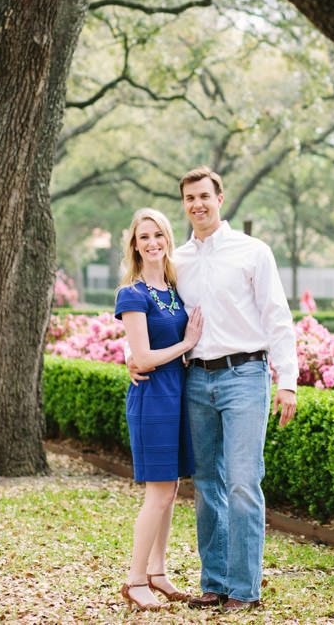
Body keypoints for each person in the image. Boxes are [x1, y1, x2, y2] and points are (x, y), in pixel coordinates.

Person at [128, 167, 298, 613]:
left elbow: (278, 317)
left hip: (246, 376)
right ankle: (215, 583)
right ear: (182, 204)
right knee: (206, 484)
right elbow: (152, 313)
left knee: (243, 482)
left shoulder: (252, 251)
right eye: (189, 198)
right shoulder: (176, 260)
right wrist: (134, 358)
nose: (197, 204)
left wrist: (289, 382)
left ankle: (244, 589)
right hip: (196, 380)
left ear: (220, 197)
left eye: (204, 195)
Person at [115, 207, 203, 612]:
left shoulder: (173, 288)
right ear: (134, 244)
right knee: (158, 493)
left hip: (178, 394)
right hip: (152, 397)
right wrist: (186, 345)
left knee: (171, 491)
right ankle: (135, 580)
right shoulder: (132, 293)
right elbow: (143, 357)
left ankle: (158, 572)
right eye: (144, 237)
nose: (152, 243)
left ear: (168, 239)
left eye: (159, 235)